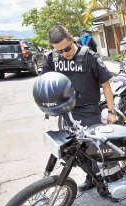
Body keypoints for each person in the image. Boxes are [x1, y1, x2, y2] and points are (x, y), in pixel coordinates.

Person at [42, 25, 117, 191]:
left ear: (72, 38)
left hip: (89, 112)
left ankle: (105, 181)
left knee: (95, 150)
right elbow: (45, 84)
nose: (64, 54)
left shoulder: (90, 57)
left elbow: (106, 85)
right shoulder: (51, 59)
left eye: (66, 48)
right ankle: (90, 178)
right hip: (67, 113)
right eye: (59, 51)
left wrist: (111, 111)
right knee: (77, 152)